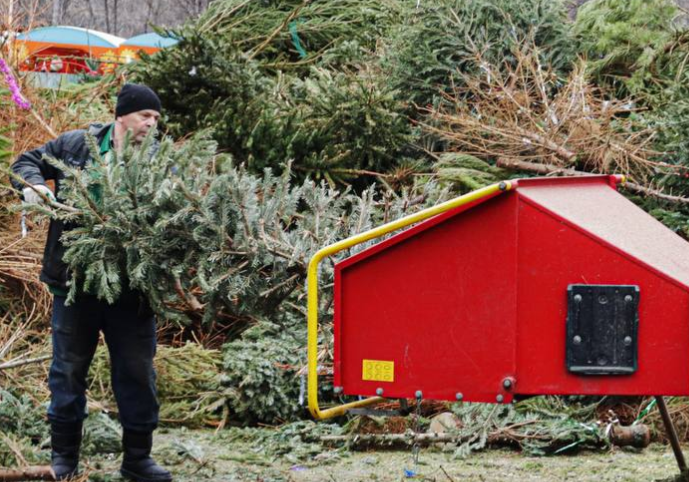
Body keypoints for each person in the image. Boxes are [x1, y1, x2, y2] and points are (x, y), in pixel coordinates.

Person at [11, 84, 172, 482]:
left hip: (132, 291)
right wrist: (33, 187)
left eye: (156, 118)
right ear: (122, 116)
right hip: (74, 286)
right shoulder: (76, 146)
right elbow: (25, 162)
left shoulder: (158, 162)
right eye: (145, 117)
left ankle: (138, 460)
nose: (152, 125)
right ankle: (64, 459)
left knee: (136, 373)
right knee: (67, 371)